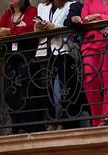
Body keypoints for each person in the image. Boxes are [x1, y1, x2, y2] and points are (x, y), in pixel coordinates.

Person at [74, 0, 108, 126]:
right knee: (90, 82)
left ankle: (106, 121)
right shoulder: (89, 1)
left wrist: (98, 16)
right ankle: (96, 121)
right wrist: (105, 21)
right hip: (90, 43)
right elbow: (84, 19)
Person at [33, 0, 82, 129]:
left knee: (66, 85)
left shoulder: (71, 5)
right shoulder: (42, 6)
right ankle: (51, 120)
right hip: (44, 50)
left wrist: (53, 27)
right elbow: (36, 29)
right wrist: (39, 27)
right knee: (46, 85)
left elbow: (72, 29)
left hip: (64, 50)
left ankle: (66, 121)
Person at [0, 0, 41, 132]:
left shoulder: (31, 11)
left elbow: (31, 27)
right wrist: (17, 29)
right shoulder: (8, 14)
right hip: (11, 58)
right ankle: (17, 124)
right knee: (9, 92)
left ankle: (28, 126)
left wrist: (9, 31)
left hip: (26, 55)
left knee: (25, 89)